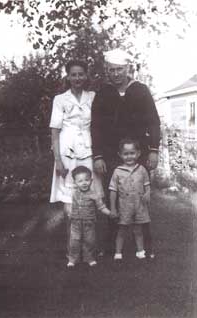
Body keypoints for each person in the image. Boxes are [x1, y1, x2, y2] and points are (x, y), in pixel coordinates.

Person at [91, 48, 160, 256]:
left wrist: (153, 150)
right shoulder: (103, 93)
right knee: (114, 198)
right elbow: (96, 126)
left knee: (140, 199)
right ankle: (112, 246)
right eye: (111, 70)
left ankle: (146, 247)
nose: (115, 74)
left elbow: (153, 121)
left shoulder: (140, 90)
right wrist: (98, 155)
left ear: (127, 68)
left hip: (137, 153)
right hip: (112, 155)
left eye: (119, 69)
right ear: (106, 70)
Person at [49, 60, 103, 215]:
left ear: (86, 76)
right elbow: (54, 132)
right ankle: (72, 239)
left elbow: (100, 125)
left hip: (88, 149)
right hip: (67, 151)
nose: (77, 78)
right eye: (73, 75)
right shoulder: (60, 99)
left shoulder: (93, 97)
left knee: (91, 192)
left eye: (81, 74)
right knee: (69, 196)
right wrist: (58, 160)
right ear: (68, 77)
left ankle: (89, 237)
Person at [109, 138, 151, 260]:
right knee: (122, 229)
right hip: (124, 206)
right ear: (120, 155)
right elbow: (113, 190)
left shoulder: (142, 169)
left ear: (138, 154)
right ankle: (118, 252)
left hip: (139, 205)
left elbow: (147, 185)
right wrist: (112, 208)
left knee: (138, 229)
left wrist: (148, 193)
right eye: (125, 154)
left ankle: (140, 251)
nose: (129, 157)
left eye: (132, 153)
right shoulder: (117, 171)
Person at [67, 166, 110, 267]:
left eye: (86, 180)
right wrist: (69, 212)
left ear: (91, 180)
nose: (84, 183)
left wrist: (109, 213)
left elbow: (101, 206)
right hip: (75, 223)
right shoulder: (73, 194)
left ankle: (89, 258)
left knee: (89, 241)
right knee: (74, 241)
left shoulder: (94, 195)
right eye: (80, 181)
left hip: (89, 223)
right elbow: (69, 205)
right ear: (75, 183)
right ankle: (73, 259)